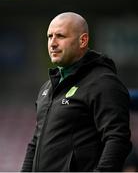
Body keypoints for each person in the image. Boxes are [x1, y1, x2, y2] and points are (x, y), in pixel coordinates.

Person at [21, 12, 132, 172]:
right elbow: (35, 142)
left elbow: (117, 139)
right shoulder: (47, 88)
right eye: (49, 36)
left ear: (83, 40)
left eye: (60, 36)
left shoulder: (103, 83)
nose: (52, 43)